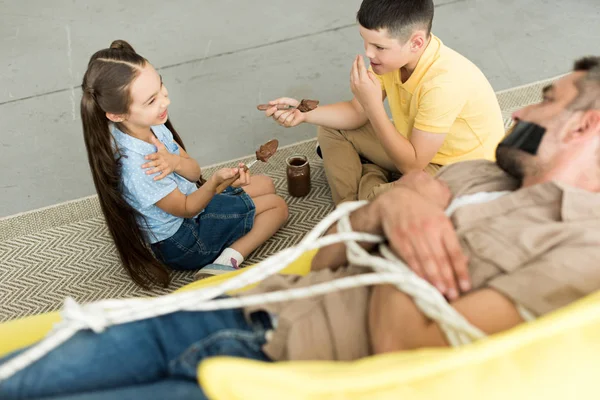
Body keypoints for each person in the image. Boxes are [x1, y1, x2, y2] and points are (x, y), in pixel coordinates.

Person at [2, 57, 600, 400]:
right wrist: (400, 201)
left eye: (547, 98)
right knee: (23, 376)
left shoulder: (580, 247)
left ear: (584, 125)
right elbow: (324, 257)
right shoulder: (478, 172)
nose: (519, 110)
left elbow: (400, 356)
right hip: (242, 308)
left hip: (271, 374)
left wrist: (410, 206)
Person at [79, 40, 288, 287]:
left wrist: (176, 162)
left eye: (161, 86)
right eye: (151, 100)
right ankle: (226, 261)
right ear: (117, 115)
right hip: (184, 240)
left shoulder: (152, 125)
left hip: (193, 203)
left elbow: (193, 172)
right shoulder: (140, 167)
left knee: (265, 182)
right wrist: (215, 183)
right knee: (277, 206)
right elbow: (187, 208)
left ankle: (233, 222)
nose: (165, 101)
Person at [263, 0, 505, 204]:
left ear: (416, 43)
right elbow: (357, 112)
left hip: (459, 172)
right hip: (414, 149)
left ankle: (366, 184)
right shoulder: (392, 59)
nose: (369, 54)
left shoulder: (443, 84)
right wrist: (304, 114)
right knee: (329, 127)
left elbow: (413, 166)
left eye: (378, 46)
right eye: (365, 41)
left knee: (379, 203)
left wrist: (373, 106)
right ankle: (349, 210)